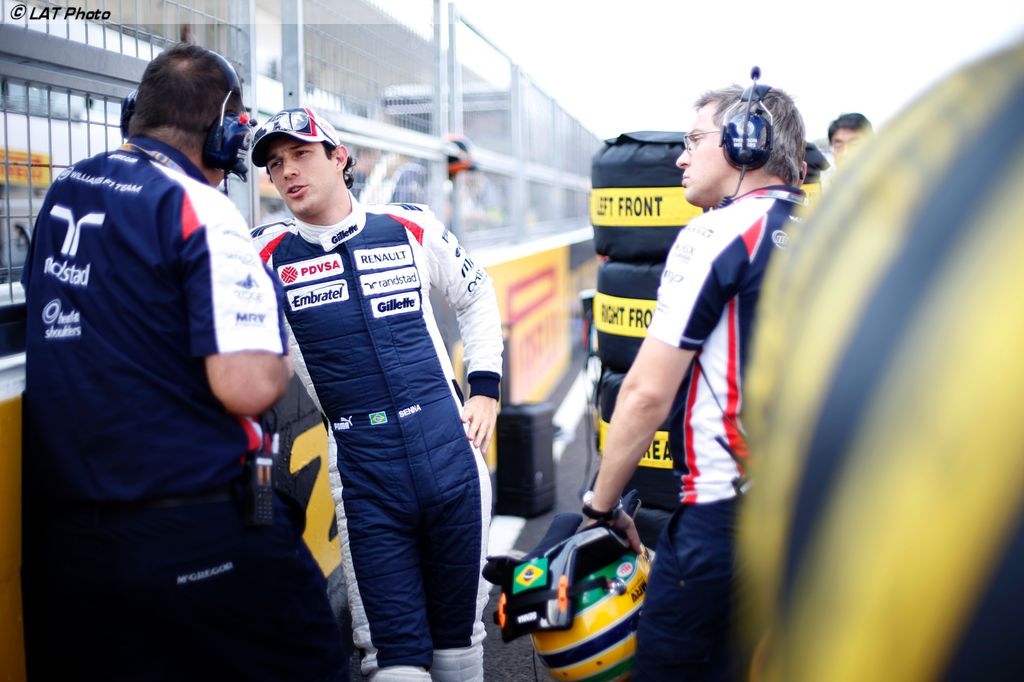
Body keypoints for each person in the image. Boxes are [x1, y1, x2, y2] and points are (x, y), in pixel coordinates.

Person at [20, 44, 347, 681]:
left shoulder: (68, 188)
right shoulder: (199, 206)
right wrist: (276, 334)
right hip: (196, 522)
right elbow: (247, 386)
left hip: (73, 537)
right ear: (226, 135)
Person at [248, 107, 502, 682]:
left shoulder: (409, 224)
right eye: (276, 164)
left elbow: (476, 294)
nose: (287, 172)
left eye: (301, 154)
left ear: (339, 158)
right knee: (391, 656)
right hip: (364, 472)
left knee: (459, 644)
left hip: (451, 452)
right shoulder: (263, 252)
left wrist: (485, 389)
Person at [585, 83, 806, 681]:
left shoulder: (717, 233)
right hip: (809, 514)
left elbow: (645, 393)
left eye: (693, 141)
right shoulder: (833, 230)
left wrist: (600, 508)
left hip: (724, 518)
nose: (681, 159)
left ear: (744, 141)